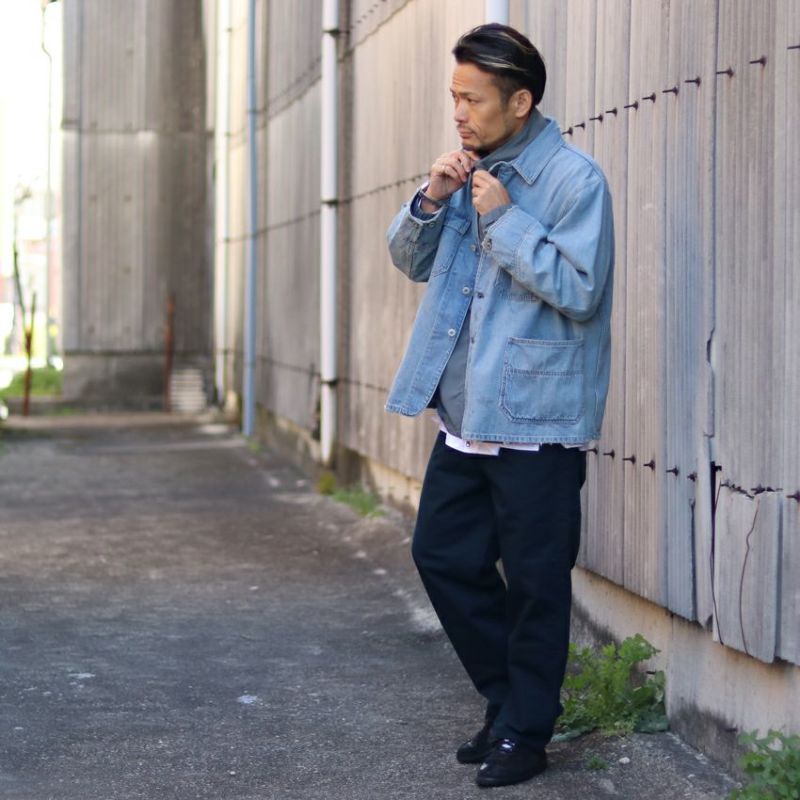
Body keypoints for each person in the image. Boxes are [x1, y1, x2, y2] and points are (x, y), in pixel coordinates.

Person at [384, 23, 615, 789]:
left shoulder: (575, 182)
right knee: (442, 556)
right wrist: (432, 196)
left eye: (473, 99)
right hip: (466, 416)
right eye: (454, 97)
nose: (459, 112)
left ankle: (526, 732)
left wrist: (507, 218)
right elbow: (408, 260)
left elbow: (581, 291)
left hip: (536, 423)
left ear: (520, 102)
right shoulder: (466, 170)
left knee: (538, 584)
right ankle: (508, 701)